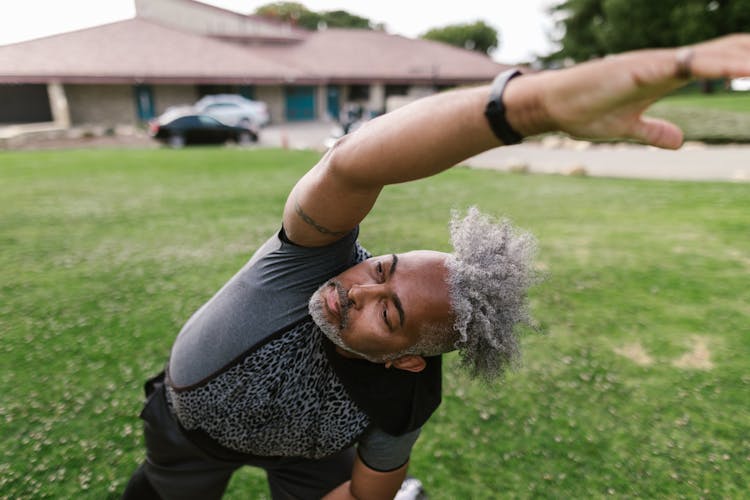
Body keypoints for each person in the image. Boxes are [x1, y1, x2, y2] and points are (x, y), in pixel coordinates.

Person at [123, 34, 750, 499]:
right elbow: (352, 165)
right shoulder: (309, 263)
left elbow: (367, 491)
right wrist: (528, 108)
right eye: (381, 270)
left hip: (306, 462)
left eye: (388, 312)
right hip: (186, 435)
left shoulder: (405, 396)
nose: (354, 291)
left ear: (406, 360)